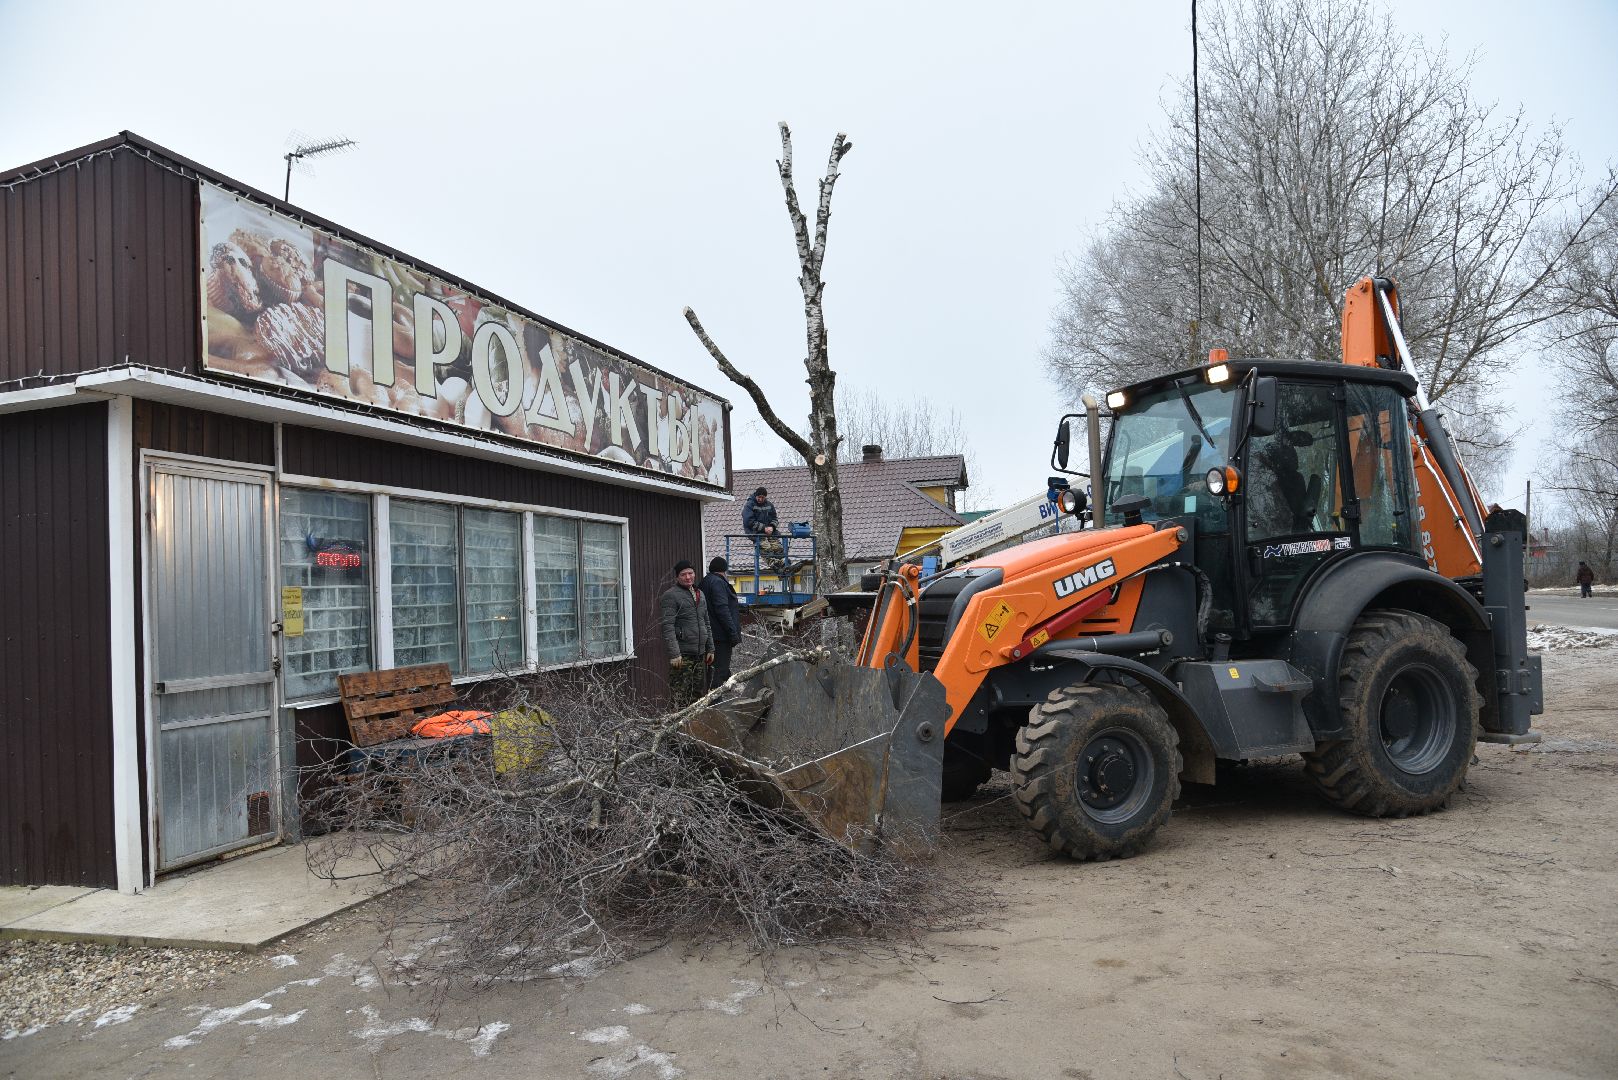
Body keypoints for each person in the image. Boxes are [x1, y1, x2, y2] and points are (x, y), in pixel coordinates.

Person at [659, 560, 713, 709]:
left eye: (690, 573)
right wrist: (675, 653)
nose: (688, 577)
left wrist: (710, 648)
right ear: (677, 577)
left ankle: (693, 727)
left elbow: (706, 622)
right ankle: (677, 729)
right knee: (680, 696)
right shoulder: (670, 596)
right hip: (683, 656)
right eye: (683, 574)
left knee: (696, 695)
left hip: (700, 654)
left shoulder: (699, 594)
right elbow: (667, 626)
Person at [699, 556, 742, 690]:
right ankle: (716, 704)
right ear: (724, 571)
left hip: (710, 635)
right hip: (720, 637)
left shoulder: (705, 582)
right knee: (719, 672)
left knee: (714, 671)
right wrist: (732, 633)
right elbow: (722, 609)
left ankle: (716, 700)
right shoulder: (718, 583)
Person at [741, 486, 786, 571]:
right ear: (756, 496)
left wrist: (772, 527)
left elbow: (775, 518)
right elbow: (748, 522)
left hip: (770, 533)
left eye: (763, 497)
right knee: (766, 547)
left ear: (765, 497)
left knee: (778, 547)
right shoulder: (749, 505)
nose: (760, 499)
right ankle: (775, 565)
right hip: (756, 533)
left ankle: (783, 564)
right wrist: (764, 528)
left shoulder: (769, 505)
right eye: (759, 497)